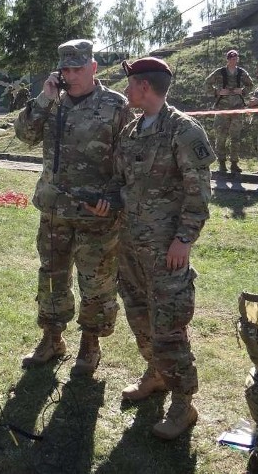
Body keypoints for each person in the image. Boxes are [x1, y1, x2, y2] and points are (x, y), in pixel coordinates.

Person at [88, 56, 214, 440]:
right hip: (130, 247)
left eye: (130, 85)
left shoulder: (184, 131)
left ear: (144, 87)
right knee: (140, 315)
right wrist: (107, 200)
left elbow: (200, 194)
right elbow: (118, 181)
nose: (126, 91)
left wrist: (184, 240)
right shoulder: (131, 131)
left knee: (169, 326)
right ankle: (156, 373)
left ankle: (182, 403)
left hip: (166, 251)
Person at [14, 39, 132, 377]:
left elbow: (129, 160)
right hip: (54, 210)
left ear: (93, 67)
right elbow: (24, 135)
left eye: (78, 68)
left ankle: (90, 345)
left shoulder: (116, 105)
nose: (71, 74)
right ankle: (52, 339)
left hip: (96, 214)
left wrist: (113, 199)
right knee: (52, 276)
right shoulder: (52, 102)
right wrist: (44, 97)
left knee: (96, 282)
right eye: (65, 68)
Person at [204, 49, 253, 174]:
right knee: (221, 137)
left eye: (235, 58)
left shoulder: (241, 72)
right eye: (231, 58)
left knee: (235, 138)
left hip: (237, 108)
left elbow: (250, 85)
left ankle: (234, 164)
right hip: (222, 109)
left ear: (238, 59)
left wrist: (242, 91)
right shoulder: (220, 72)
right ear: (227, 59)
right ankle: (221, 163)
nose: (233, 60)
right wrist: (217, 92)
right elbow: (207, 84)